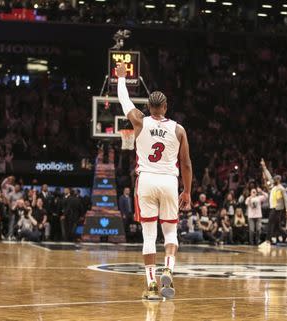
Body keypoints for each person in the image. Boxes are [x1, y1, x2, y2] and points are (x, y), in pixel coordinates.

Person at [116, 61, 192, 300]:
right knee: (170, 234)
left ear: (148, 106)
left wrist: (120, 77)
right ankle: (168, 267)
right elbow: (187, 164)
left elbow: (124, 100)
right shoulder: (179, 130)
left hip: (146, 180)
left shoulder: (140, 121)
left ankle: (151, 286)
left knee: (148, 236)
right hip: (169, 181)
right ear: (166, 107)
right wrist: (187, 192)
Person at [259, 159, 287, 249]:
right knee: (277, 227)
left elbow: (286, 200)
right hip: (273, 208)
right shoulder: (273, 187)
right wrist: (264, 167)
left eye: (275, 179)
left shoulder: (281, 188)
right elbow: (268, 176)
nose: (273, 179)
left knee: (270, 224)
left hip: (277, 209)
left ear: (279, 180)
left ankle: (267, 241)